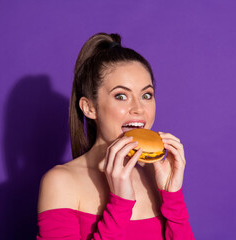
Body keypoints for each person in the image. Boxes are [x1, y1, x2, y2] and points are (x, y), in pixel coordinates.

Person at [36, 33, 195, 240]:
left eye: (146, 95)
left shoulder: (156, 176)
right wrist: (120, 204)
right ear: (89, 107)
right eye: (121, 96)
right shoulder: (61, 182)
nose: (138, 109)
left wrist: (172, 197)